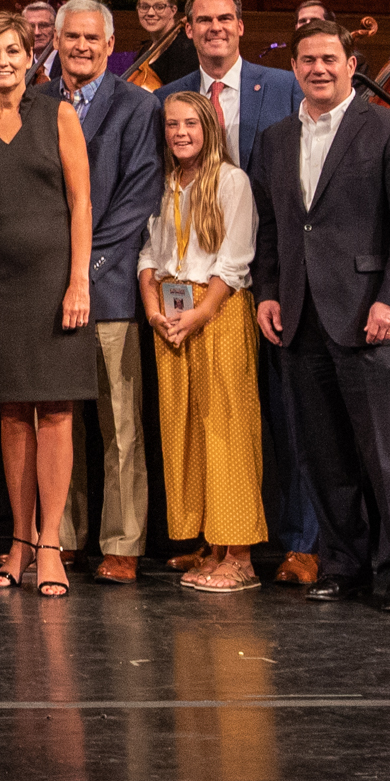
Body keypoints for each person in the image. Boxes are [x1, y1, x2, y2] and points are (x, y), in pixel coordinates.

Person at [248, 24, 390, 613]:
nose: (318, 68)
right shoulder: (278, 137)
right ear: (295, 68)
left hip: (370, 313)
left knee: (387, 453)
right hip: (301, 316)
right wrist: (269, 292)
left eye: (329, 58)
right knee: (323, 452)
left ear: (352, 63)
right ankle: (344, 563)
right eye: (307, 60)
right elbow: (275, 227)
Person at [159, 0, 312, 583]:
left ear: (242, 27)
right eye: (203, 21)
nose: (215, 28)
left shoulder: (283, 86)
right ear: (189, 30)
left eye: (225, 19)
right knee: (212, 419)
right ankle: (217, 537)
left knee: (286, 412)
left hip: (276, 266)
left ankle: (299, 541)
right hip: (203, 285)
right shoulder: (172, 98)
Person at [0, 10, 97, 597]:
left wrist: (78, 281)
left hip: (55, 281)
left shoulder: (59, 115)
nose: (3, 61)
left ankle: (51, 545)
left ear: (29, 56)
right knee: (12, 414)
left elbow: (82, 204)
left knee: (56, 412)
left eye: (12, 50)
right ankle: (19, 541)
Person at [39, 2, 163, 583]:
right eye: (72, 36)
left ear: (112, 43)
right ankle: (60, 538)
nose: (82, 46)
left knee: (120, 423)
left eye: (93, 37)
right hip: (44, 288)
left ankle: (122, 541)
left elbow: (139, 197)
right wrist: (54, 271)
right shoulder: (34, 105)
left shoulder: (139, 107)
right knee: (57, 418)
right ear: (56, 40)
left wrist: (82, 270)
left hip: (109, 287)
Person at [142, 90, 262, 588]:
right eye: (172, 124)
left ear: (209, 127)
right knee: (185, 430)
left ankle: (240, 555)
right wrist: (153, 310)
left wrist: (201, 312)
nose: (181, 133)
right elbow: (149, 252)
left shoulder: (231, 181)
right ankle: (207, 545)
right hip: (170, 313)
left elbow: (235, 260)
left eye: (190, 123)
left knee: (226, 428)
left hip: (216, 311)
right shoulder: (164, 182)